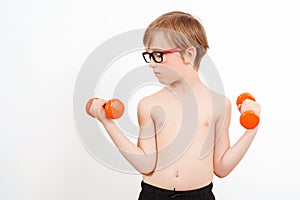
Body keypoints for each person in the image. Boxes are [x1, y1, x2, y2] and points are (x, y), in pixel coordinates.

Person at [89, 11, 261, 200]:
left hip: (200, 195)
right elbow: (145, 164)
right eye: (149, 55)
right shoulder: (149, 105)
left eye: (158, 54)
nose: (152, 64)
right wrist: (107, 122)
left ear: (188, 54)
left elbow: (221, 167)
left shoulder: (220, 105)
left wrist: (251, 130)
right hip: (154, 195)